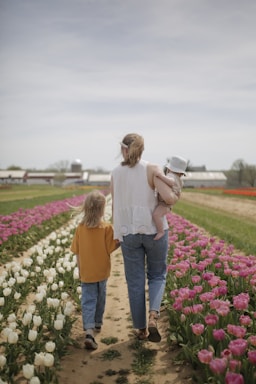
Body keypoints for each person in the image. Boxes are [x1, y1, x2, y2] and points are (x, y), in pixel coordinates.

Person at [110, 133, 169, 342]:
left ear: (123, 149)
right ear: (141, 149)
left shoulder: (116, 173)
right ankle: (154, 314)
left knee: (135, 281)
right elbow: (167, 196)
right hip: (154, 230)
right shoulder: (152, 168)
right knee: (157, 275)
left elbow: (115, 206)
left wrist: (117, 234)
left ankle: (140, 329)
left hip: (129, 232)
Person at [70, 190, 119, 350]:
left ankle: (89, 330)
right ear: (102, 210)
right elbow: (111, 247)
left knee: (88, 301)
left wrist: (80, 269)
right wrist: (122, 241)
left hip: (87, 272)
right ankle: (97, 323)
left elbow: (76, 251)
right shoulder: (106, 228)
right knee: (100, 298)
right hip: (102, 271)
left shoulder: (80, 228)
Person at [153, 155, 187, 240]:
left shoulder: (171, 175)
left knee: (156, 215)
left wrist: (161, 176)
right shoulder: (180, 180)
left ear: (170, 168)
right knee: (157, 215)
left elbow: (171, 182)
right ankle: (160, 230)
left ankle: (160, 231)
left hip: (164, 204)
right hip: (167, 205)